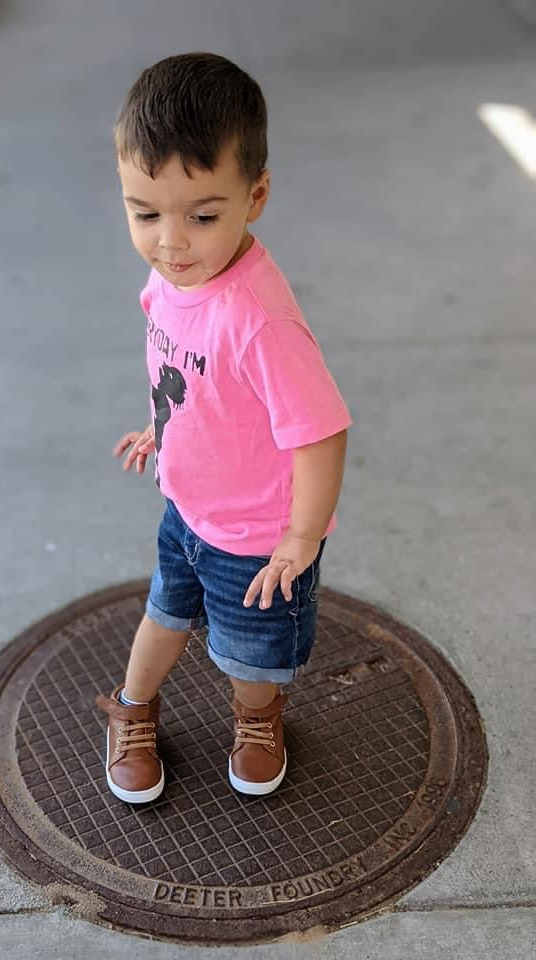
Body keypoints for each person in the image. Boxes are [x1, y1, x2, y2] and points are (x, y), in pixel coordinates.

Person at [96, 52, 351, 803]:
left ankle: (257, 717)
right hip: (186, 509)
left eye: (201, 215)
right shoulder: (171, 277)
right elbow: (176, 367)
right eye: (144, 213)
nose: (170, 241)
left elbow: (321, 432)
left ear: (256, 195)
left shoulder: (259, 320)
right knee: (163, 616)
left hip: (258, 540)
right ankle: (131, 707)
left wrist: (300, 539)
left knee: (252, 658)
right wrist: (159, 426)